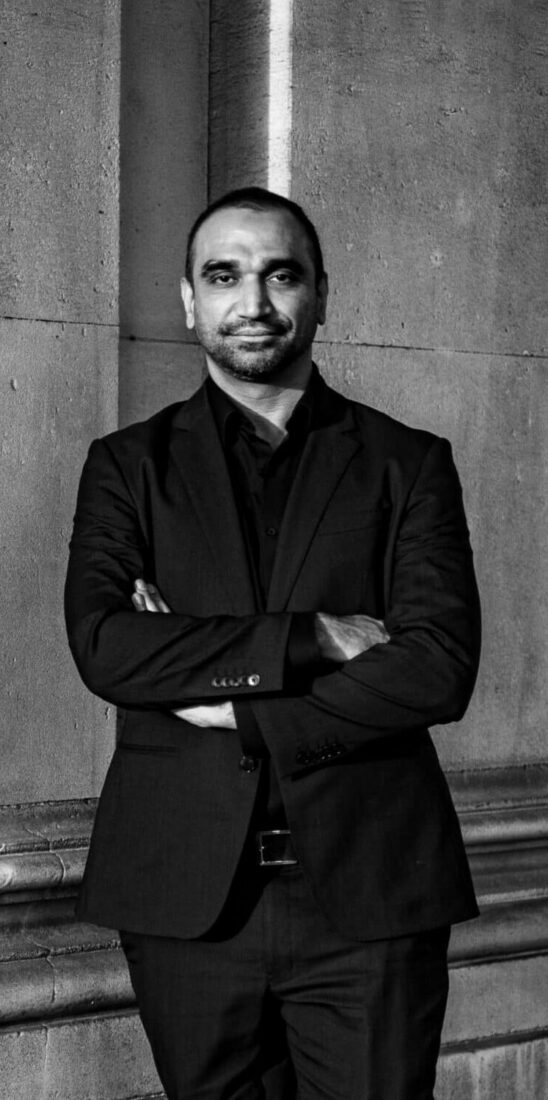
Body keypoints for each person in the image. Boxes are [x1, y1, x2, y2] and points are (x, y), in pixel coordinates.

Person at [64, 187, 481, 1100]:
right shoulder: (127, 466)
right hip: (185, 899)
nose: (252, 302)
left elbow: (437, 667)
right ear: (188, 301)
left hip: (371, 898)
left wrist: (234, 705)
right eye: (224, 276)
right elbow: (108, 648)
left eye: (279, 275)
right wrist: (317, 637)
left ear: (321, 294)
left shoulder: (408, 463)